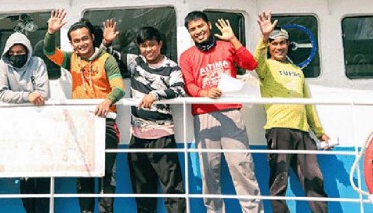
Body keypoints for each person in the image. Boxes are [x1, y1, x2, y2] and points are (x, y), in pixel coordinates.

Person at [178, 11, 261, 213]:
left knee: (242, 167)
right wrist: (204, 92)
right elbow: (188, 84)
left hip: (231, 114)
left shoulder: (227, 46)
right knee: (209, 172)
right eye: (193, 29)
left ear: (208, 25)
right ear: (189, 33)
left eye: (200, 26)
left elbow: (251, 64)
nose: (198, 32)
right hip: (204, 117)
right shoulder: (186, 56)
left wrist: (233, 39)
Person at [43, 9, 125, 213]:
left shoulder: (106, 59)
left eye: (84, 39)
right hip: (81, 125)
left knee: (107, 173)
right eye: (76, 41)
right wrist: (51, 32)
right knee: (84, 173)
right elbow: (48, 52)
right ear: (72, 43)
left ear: (93, 38)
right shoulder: (71, 60)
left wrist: (108, 100)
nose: (81, 44)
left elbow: (119, 87)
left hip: (106, 124)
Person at [254, 12, 331, 213]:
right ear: (269, 47)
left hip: (302, 132)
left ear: (288, 45)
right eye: (274, 44)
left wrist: (320, 131)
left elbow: (307, 104)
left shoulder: (298, 72)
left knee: (314, 180)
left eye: (282, 43)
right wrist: (263, 37)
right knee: (279, 182)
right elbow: (254, 61)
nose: (278, 47)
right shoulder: (266, 67)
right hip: (278, 129)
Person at [104, 24, 186, 213]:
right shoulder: (135, 62)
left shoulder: (171, 67)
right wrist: (107, 41)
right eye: (143, 46)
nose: (148, 49)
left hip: (162, 137)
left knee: (173, 189)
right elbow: (101, 55)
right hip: (138, 138)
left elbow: (180, 90)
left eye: (151, 45)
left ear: (160, 44)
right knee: (142, 192)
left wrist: (154, 95)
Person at [0, 32, 51, 213]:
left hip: (40, 128)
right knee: (24, 174)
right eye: (13, 53)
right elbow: (1, 94)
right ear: (7, 53)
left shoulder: (37, 63)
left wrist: (24, 96)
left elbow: (43, 93)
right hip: (16, 130)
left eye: (21, 52)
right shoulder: (4, 65)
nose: (17, 56)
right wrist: (28, 95)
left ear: (27, 51)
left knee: (43, 173)